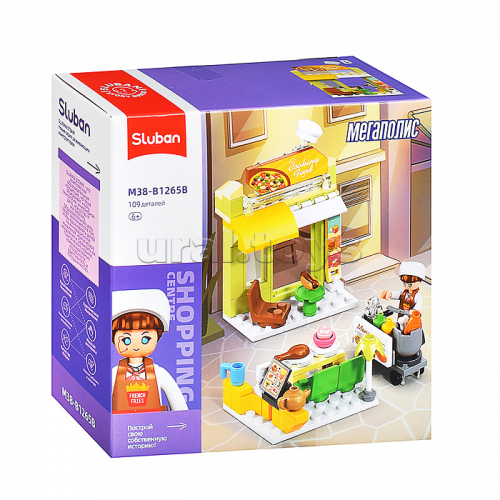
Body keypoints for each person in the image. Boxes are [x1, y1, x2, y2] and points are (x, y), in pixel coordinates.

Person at [111, 289, 188, 413]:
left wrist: (184, 419)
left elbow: (179, 404)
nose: (136, 346)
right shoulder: (114, 374)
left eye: (145, 339)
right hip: (123, 423)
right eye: (126, 340)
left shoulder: (159, 373)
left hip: (155, 422)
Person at [381, 261, 426, 330]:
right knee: (400, 324)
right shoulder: (404, 293)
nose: (406, 286)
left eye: (410, 285)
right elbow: (399, 295)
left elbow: (418, 305)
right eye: (404, 284)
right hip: (402, 313)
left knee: (407, 326)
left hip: (412, 319)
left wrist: (414, 311)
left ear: (419, 282)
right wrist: (391, 294)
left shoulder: (418, 296)